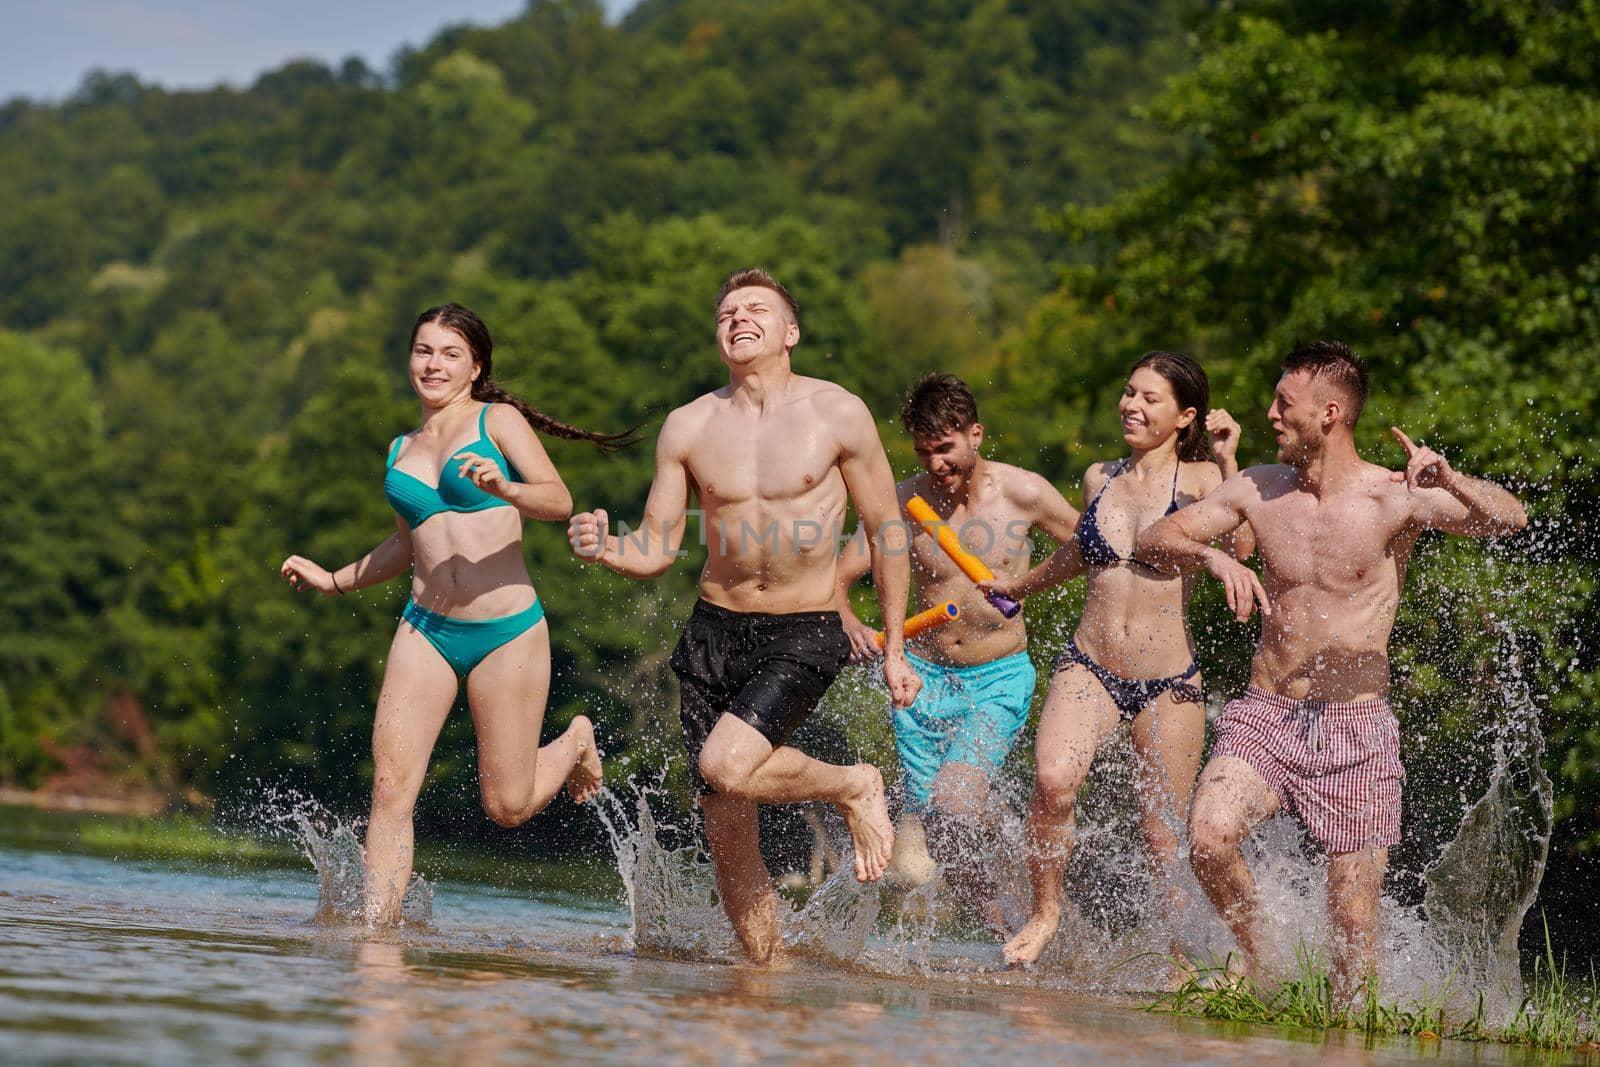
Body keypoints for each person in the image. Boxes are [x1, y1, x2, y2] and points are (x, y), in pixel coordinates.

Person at [1136, 340, 1527, 998]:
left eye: (1284, 403)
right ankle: (1265, 962)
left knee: (1352, 931)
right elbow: (1154, 537)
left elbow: (1510, 519)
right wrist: (1215, 558)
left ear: (1331, 413)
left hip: (1355, 729)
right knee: (1207, 836)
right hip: (1265, 713)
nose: (1270, 413)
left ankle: (1348, 1031)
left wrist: (1452, 480)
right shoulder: (1258, 487)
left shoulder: (1394, 497)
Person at [567, 268, 920, 964]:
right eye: (727, 311)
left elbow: (886, 530)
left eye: (757, 308)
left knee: (726, 765)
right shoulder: (689, 425)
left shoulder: (837, 412)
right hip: (713, 631)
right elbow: (658, 546)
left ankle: (855, 782)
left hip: (804, 626)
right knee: (727, 822)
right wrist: (607, 549)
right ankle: (765, 976)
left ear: (791, 332)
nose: (739, 318)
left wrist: (897, 645)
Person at [280, 303, 626, 924]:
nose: (432, 364)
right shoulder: (400, 447)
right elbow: (405, 543)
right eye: (423, 351)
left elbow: (557, 499)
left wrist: (505, 488)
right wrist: (334, 580)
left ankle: (575, 740)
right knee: (390, 788)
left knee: (508, 806)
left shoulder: (499, 422)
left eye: (449, 354)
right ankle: (375, 936)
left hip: (506, 632)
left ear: (475, 367)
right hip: (426, 628)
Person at [981, 351, 1253, 966]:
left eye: (1149, 399)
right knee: (1052, 783)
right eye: (1129, 392)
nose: (1132, 405)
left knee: (1164, 837)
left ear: (1185, 416)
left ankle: (1187, 962)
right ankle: (1046, 911)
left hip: (1170, 683)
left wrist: (1231, 458)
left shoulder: (1205, 481)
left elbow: (1243, 544)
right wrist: (1019, 587)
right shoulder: (1098, 476)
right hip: (1090, 666)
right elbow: (1079, 556)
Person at [833, 373, 1080, 926]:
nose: (936, 463)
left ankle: (1016, 839)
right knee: (945, 838)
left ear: (976, 434)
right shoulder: (904, 500)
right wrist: (850, 622)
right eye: (924, 452)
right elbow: (838, 580)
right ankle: (1010, 934)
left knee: (953, 803)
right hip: (921, 682)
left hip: (998, 676)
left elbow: (1091, 549)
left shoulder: (1026, 492)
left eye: (945, 448)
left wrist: (1026, 583)